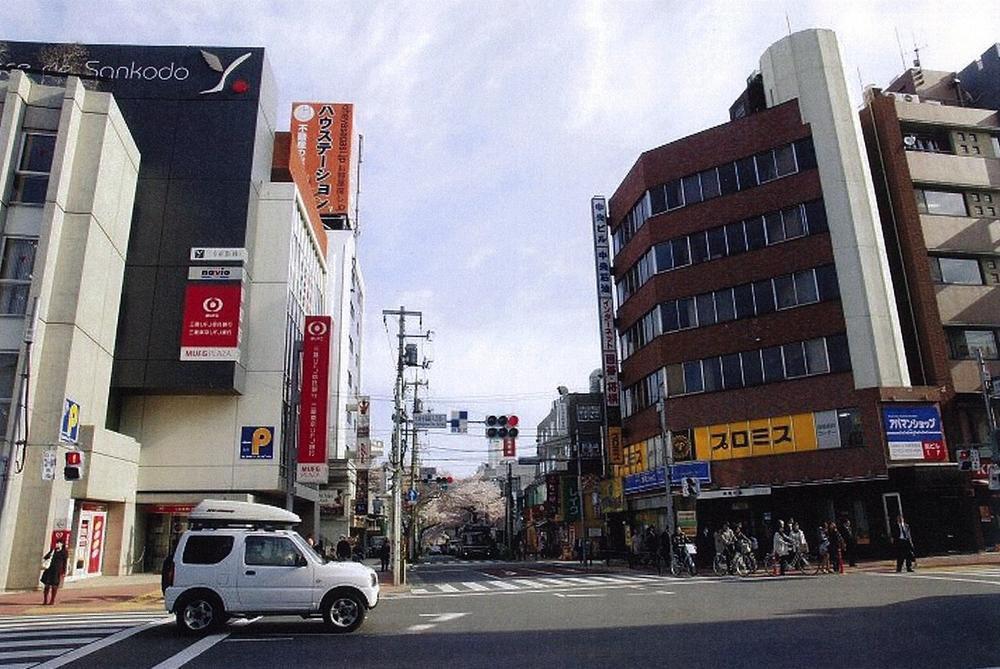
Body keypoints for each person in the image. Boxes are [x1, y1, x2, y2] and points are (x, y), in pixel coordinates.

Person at [40, 541, 69, 605]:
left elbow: (65, 562)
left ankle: (52, 600)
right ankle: (45, 600)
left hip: (57, 571)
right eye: (56, 543)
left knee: (54, 586)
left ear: (62, 544)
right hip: (49, 569)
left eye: (59, 543)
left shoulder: (64, 552)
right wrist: (50, 554)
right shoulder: (53, 550)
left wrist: (64, 571)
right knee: (47, 585)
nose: (57, 544)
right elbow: (46, 557)